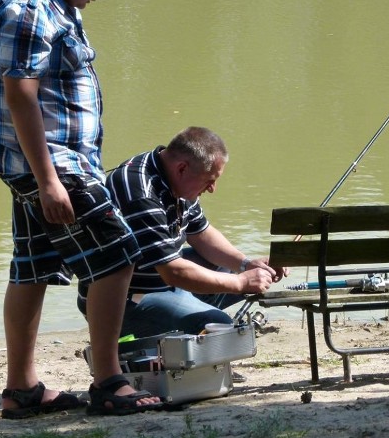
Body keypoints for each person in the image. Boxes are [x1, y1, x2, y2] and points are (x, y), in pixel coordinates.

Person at [0, 0, 161, 418]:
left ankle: (22, 391)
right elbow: (20, 94)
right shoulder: (30, 6)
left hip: (46, 163)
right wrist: (48, 181)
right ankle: (108, 380)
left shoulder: (56, 2)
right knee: (119, 255)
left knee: (32, 267)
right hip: (51, 162)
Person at [77, 126, 288, 342]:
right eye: (209, 180)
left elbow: (202, 233)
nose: (213, 188)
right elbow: (173, 272)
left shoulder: (174, 177)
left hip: (157, 282)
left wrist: (247, 265)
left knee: (227, 267)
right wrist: (241, 283)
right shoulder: (140, 192)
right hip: (126, 300)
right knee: (219, 327)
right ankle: (190, 330)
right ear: (182, 168)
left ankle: (187, 323)